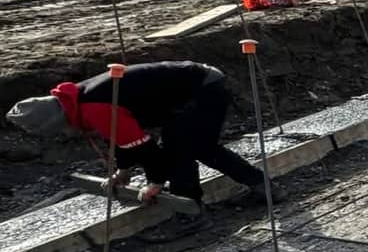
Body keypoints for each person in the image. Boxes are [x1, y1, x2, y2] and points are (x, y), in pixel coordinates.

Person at [6, 61, 267, 204]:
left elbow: (145, 149)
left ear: (57, 119)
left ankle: (188, 206)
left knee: (184, 147)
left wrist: (154, 183)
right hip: (187, 92)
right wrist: (123, 171)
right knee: (191, 146)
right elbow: (123, 138)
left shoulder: (94, 107)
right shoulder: (78, 99)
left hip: (202, 88)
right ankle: (261, 187)